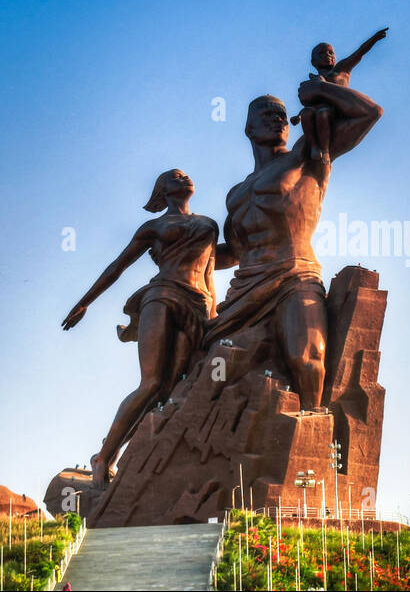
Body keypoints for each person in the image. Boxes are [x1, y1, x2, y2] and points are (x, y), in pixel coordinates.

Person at [205, 77, 382, 411]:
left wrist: (323, 90)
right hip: (244, 289)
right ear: (248, 128)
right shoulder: (236, 193)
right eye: (267, 114)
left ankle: (311, 429)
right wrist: (185, 258)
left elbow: (369, 113)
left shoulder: (307, 155)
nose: (278, 120)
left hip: (294, 275)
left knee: (306, 356)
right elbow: (234, 251)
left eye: (283, 116)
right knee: (208, 369)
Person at [62, 169, 218, 487]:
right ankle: (104, 457)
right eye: (175, 177)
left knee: (169, 391)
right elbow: (117, 266)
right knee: (151, 383)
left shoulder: (208, 225)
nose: (185, 179)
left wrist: (213, 316)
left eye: (186, 175)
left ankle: (136, 458)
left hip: (197, 306)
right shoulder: (154, 227)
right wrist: (84, 302)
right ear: (162, 191)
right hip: (161, 296)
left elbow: (210, 274)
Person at [291, 28, 388, 163]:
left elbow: (359, 53)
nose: (328, 55)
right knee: (308, 113)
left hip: (336, 110)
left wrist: (374, 39)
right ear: (313, 62)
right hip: (315, 110)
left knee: (323, 114)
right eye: (322, 53)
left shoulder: (341, 70)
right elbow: (310, 103)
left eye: (331, 52)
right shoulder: (313, 80)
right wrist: (299, 117)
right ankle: (314, 147)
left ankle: (325, 150)